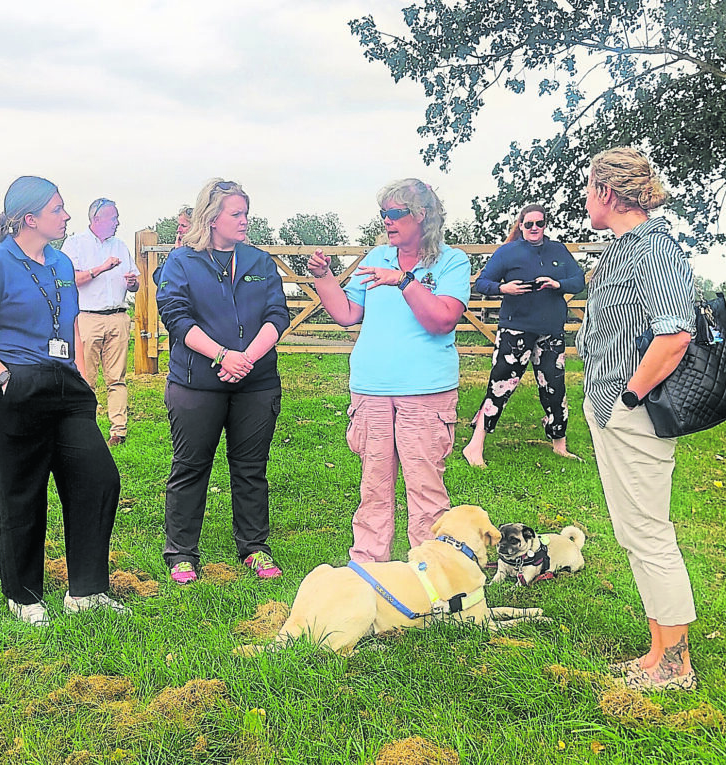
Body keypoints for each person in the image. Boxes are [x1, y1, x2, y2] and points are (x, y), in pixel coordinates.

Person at [0, 176, 122, 626]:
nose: (67, 216)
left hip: (64, 386)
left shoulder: (63, 264)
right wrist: (5, 378)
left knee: (98, 480)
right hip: (12, 387)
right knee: (23, 494)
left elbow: (69, 326)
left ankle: (86, 591)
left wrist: (82, 380)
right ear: (30, 219)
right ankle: (24, 596)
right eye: (58, 209)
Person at [577, 147, 698, 691]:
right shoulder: (626, 249)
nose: (584, 198)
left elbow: (675, 336)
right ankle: (658, 652)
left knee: (649, 533)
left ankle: (676, 665)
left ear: (607, 192)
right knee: (634, 531)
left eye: (588, 187)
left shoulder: (653, 249)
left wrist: (626, 399)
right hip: (613, 410)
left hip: (634, 414)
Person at [307, 179, 472, 563]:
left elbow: (442, 320)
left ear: (422, 215)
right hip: (371, 389)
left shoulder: (451, 261)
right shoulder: (376, 257)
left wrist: (404, 282)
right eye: (384, 214)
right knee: (374, 489)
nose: (388, 221)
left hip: (426, 392)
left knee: (426, 491)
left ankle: (431, 572)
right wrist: (324, 278)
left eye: (396, 213)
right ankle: (367, 568)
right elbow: (347, 314)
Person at [155, 179, 289, 585]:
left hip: (256, 382)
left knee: (251, 469)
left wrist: (246, 358)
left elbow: (277, 315)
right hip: (197, 384)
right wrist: (221, 355)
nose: (245, 221)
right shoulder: (182, 261)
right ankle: (181, 552)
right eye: (237, 214)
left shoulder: (260, 262)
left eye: (247, 213)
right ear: (212, 219)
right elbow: (176, 317)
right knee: (190, 467)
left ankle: (254, 547)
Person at [463, 204, 585, 467]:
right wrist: (504, 288)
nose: (534, 228)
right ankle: (475, 446)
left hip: (551, 332)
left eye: (539, 223)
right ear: (520, 225)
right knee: (500, 386)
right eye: (528, 224)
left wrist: (557, 285)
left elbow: (579, 281)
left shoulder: (558, 251)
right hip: (515, 330)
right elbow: (482, 283)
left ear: (545, 225)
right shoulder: (508, 252)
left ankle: (559, 444)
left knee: (555, 389)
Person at [63, 198, 139, 447]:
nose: (118, 222)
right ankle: (86, 427)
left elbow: (136, 282)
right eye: (113, 218)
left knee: (117, 378)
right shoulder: (74, 244)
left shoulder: (121, 245)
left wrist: (132, 284)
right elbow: (70, 280)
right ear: (96, 219)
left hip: (118, 316)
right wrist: (101, 268)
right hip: (88, 318)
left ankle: (119, 430)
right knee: (86, 378)